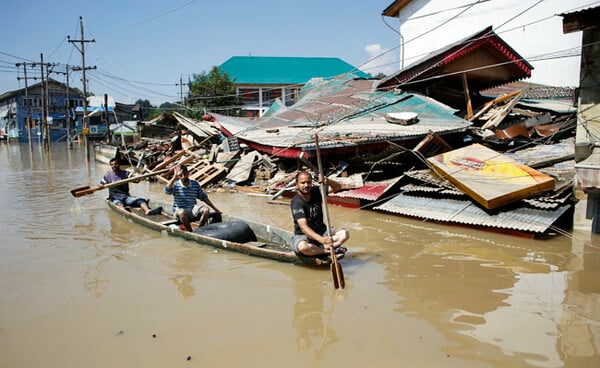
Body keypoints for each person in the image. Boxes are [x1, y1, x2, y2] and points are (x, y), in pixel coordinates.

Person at [290, 170, 349, 258]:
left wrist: (328, 181)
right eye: (303, 183)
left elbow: (338, 187)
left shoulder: (316, 191)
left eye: (308, 182)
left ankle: (322, 248)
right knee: (303, 247)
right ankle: (326, 251)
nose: (306, 185)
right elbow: (304, 228)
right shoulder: (296, 203)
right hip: (304, 236)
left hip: (322, 231)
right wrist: (321, 240)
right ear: (296, 184)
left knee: (345, 234)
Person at [165, 164, 222, 231]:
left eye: (185, 174)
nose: (183, 177)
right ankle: (190, 231)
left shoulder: (194, 184)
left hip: (192, 209)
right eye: (180, 175)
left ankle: (200, 229)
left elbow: (204, 197)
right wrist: (175, 176)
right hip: (179, 210)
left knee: (206, 210)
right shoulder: (175, 184)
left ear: (188, 173)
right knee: (181, 212)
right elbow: (167, 190)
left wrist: (216, 209)